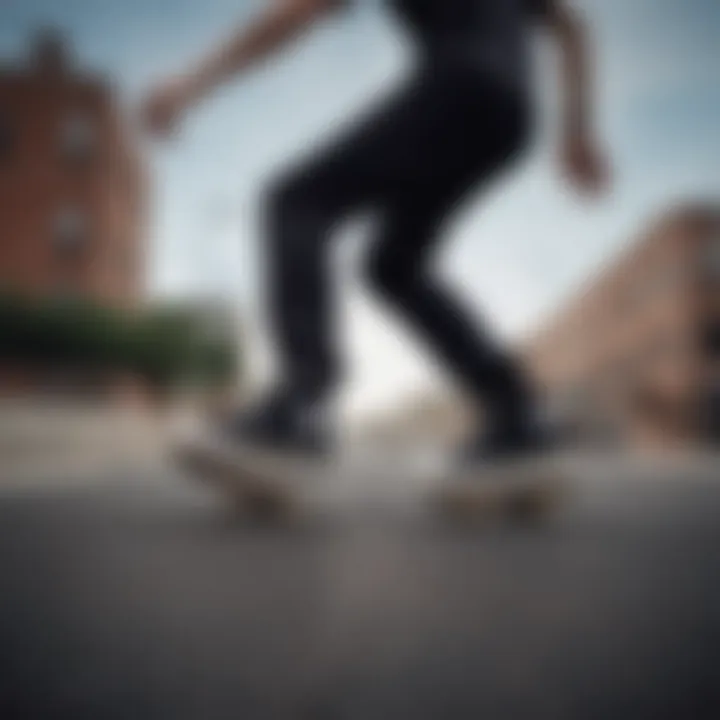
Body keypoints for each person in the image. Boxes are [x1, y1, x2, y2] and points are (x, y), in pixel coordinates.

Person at [142, 0, 608, 462]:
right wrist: (577, 130)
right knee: (395, 267)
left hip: (458, 86)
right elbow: (572, 28)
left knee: (297, 203)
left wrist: (190, 86)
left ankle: (302, 405)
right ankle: (516, 414)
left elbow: (290, 16)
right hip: (510, 114)